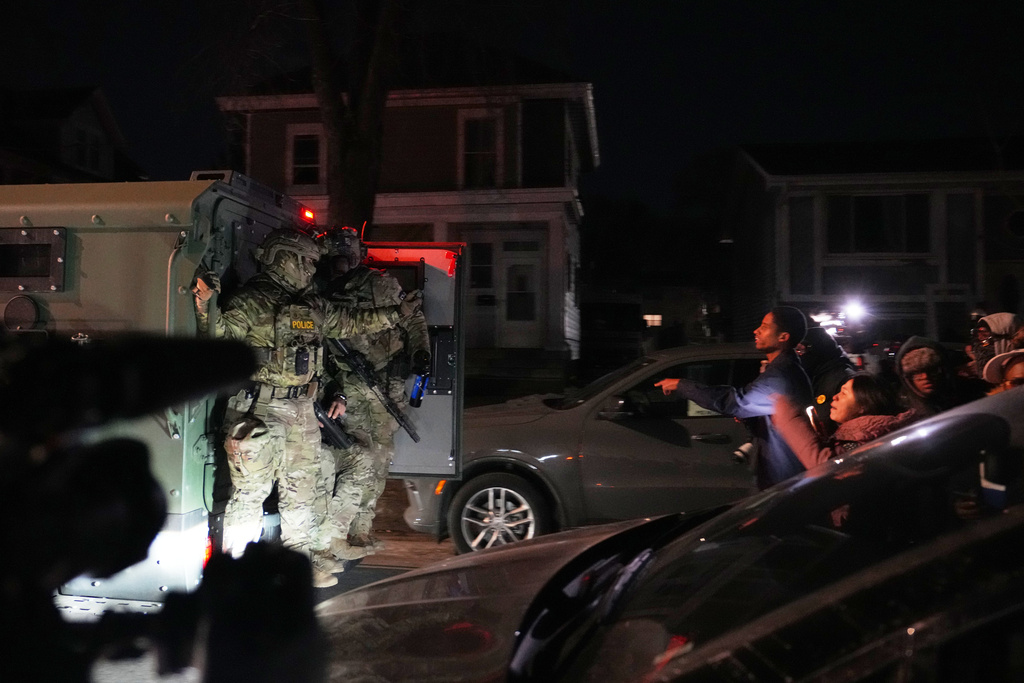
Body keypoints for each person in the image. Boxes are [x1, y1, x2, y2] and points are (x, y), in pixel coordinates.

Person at [192, 228, 417, 588]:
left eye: (313, 263)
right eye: (305, 261)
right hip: (260, 410)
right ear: (282, 258)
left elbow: (351, 321)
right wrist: (206, 307)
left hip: (301, 410)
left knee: (302, 496)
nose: (311, 269)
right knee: (249, 496)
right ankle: (237, 578)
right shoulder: (252, 301)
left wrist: (396, 313)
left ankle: (300, 568)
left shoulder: (313, 306)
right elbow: (220, 339)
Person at [316, 226, 431, 559]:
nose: (343, 262)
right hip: (346, 388)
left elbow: (413, 320)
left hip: (383, 388)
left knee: (379, 463)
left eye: (349, 255)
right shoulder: (319, 291)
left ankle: (361, 530)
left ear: (359, 256)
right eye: (338, 256)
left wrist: (421, 353)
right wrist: (333, 388)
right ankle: (335, 535)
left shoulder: (380, 285)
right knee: (354, 462)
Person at [656, 306, 812, 489]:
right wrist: (752, 419)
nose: (756, 331)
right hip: (781, 474)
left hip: (785, 478)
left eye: (764, 327)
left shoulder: (781, 376)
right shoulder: (782, 370)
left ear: (783, 337)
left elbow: (735, 402)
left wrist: (681, 385)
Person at [772, 372, 913, 469]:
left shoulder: (865, 441)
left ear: (863, 406)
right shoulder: (865, 435)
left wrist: (789, 415)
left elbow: (827, 467)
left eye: (844, 393)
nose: (835, 397)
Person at [894, 336, 986, 419]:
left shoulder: (969, 394)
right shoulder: (901, 408)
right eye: (917, 373)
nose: (926, 377)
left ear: (943, 371)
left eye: (932, 371)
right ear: (907, 378)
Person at [797, 325, 856, 438]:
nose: (798, 355)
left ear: (817, 349)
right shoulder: (812, 376)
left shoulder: (845, 378)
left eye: (801, 350)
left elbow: (853, 424)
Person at [966, 312, 1021, 378]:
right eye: (977, 333)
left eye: (985, 334)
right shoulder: (985, 344)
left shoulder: (1019, 371)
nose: (980, 338)